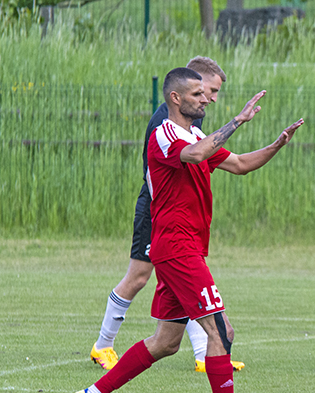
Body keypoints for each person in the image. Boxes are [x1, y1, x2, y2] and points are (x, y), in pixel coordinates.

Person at [71, 67, 304, 393]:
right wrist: (237, 121)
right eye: (198, 93)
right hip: (176, 247)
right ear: (176, 98)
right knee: (221, 332)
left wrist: (277, 144)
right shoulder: (165, 135)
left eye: (206, 93)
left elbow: (240, 164)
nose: (207, 98)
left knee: (165, 342)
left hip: (186, 246)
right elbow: (195, 156)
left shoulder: (195, 134)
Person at [90, 56, 244, 374]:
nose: (212, 98)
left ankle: (204, 353)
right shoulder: (165, 123)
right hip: (159, 210)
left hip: (178, 215)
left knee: (185, 280)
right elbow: (168, 167)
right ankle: (103, 345)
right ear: (189, 86)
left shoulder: (192, 121)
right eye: (209, 90)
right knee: (138, 277)